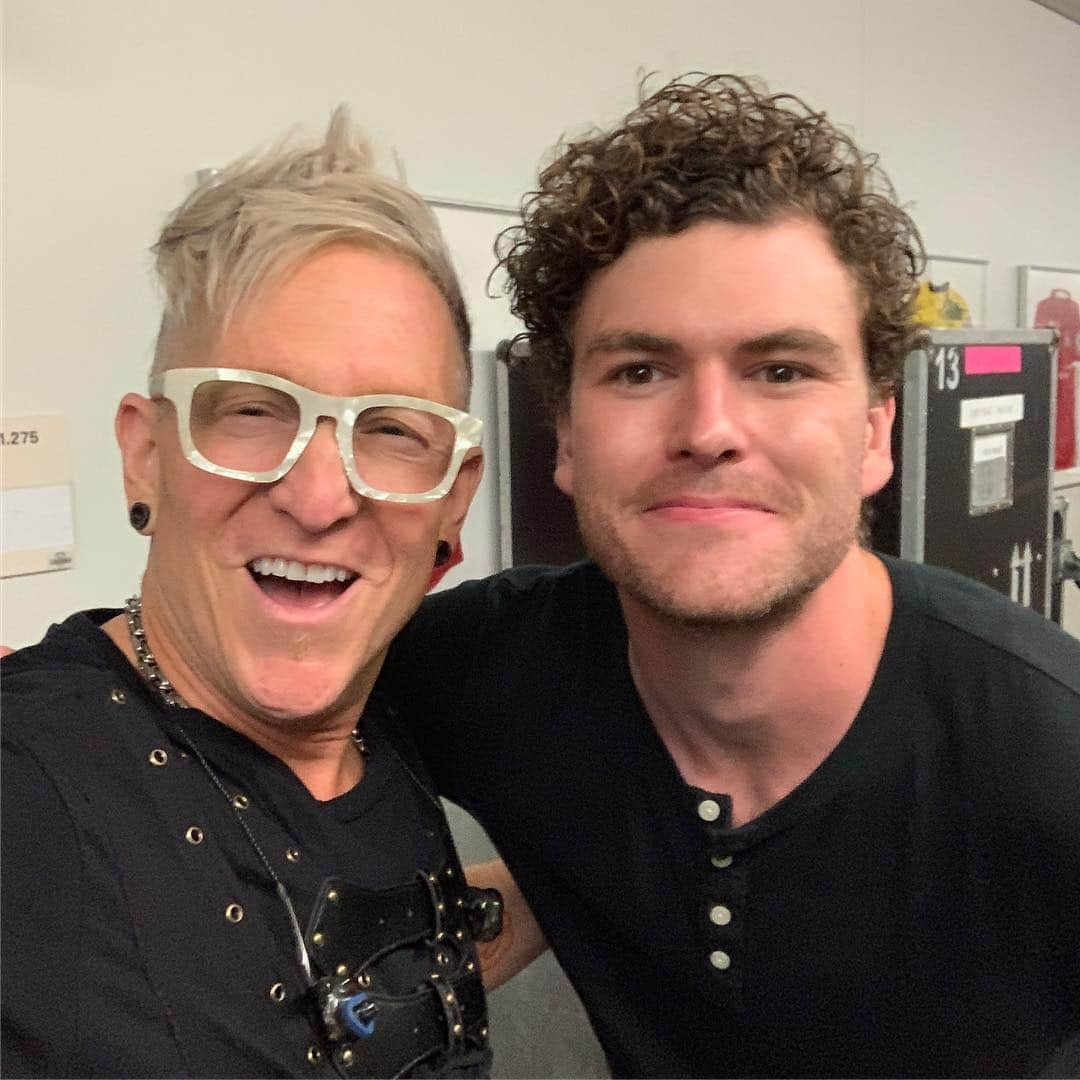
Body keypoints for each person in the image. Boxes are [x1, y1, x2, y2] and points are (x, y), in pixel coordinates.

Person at [378, 75, 1080, 1078]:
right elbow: (209, 700)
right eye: (640, 371)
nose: (709, 430)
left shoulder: (1047, 755)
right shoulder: (488, 672)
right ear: (565, 436)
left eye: (782, 369)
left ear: (877, 432)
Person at [0, 107, 521, 1078]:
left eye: (392, 430)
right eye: (249, 410)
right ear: (145, 457)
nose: (321, 497)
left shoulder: (386, 723)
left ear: (454, 502)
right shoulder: (30, 793)